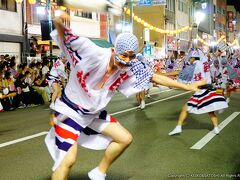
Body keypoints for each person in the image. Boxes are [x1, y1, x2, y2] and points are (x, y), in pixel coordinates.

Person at [45, 15, 205, 180]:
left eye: (131, 56)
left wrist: (187, 86)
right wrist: (58, 20)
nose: (127, 61)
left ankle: (98, 172)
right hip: (69, 110)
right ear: (114, 50)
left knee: (125, 138)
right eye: (124, 55)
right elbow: (67, 36)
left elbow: (155, 77)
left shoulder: (128, 67)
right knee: (67, 160)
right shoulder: (92, 52)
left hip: (91, 114)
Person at [168, 48, 228, 136]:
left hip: (201, 91)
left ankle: (178, 127)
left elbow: (181, 74)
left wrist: (167, 77)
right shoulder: (205, 63)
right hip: (210, 90)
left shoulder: (194, 66)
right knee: (211, 111)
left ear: (193, 57)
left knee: (185, 109)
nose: (189, 60)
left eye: (190, 58)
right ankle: (216, 128)